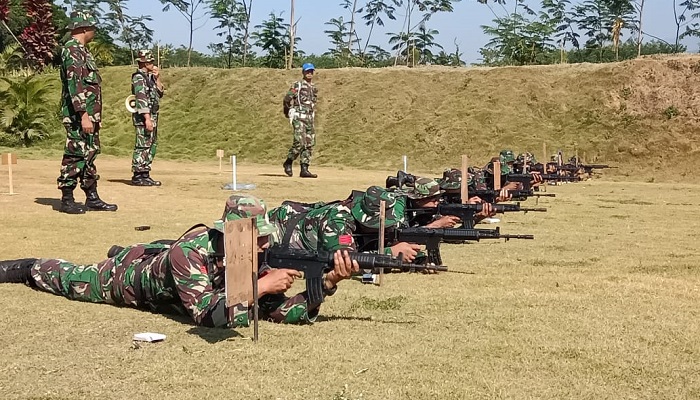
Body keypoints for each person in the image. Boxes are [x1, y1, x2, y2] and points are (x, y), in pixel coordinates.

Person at [0, 195, 359, 328]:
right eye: (258, 236)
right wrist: (262, 286)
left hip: (165, 274)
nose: (266, 244)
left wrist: (327, 284)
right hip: (125, 282)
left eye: (267, 237)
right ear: (232, 233)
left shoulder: (251, 259)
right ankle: (23, 266)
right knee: (68, 278)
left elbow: (280, 312)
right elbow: (207, 314)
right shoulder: (190, 252)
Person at [56, 11, 117, 214]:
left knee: (89, 154)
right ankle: (67, 199)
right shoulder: (71, 50)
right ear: (83, 28)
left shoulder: (83, 51)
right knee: (75, 154)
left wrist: (92, 115)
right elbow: (75, 85)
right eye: (92, 27)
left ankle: (92, 197)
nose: (94, 31)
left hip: (90, 115)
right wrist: (83, 114)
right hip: (78, 116)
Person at [268, 185, 423, 263]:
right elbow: (344, 260)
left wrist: (417, 257)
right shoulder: (337, 221)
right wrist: (389, 253)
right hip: (277, 230)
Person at [130, 49, 164, 187]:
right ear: (144, 63)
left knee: (151, 144)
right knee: (142, 145)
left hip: (153, 114)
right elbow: (141, 98)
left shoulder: (149, 77)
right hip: (144, 117)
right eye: (150, 62)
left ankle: (145, 173)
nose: (153, 65)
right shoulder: (138, 78)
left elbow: (160, 92)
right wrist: (147, 119)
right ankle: (138, 174)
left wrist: (157, 78)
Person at [282, 63, 318, 178]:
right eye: (307, 71)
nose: (309, 73)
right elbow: (287, 99)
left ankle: (304, 169)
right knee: (299, 142)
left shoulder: (313, 88)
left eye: (311, 71)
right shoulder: (297, 85)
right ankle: (288, 162)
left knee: (309, 143)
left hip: (309, 118)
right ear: (303, 72)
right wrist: (287, 111)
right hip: (299, 116)